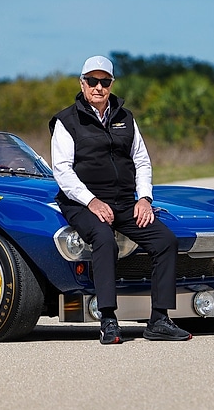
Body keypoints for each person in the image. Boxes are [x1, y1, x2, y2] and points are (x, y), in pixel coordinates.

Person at [49, 55, 192, 344]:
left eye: (104, 81)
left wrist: (145, 199)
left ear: (111, 85)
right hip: (81, 203)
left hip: (125, 201)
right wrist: (91, 202)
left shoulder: (126, 118)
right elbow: (62, 171)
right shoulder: (67, 121)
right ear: (82, 83)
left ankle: (159, 320)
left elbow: (142, 161)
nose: (98, 87)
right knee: (104, 239)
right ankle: (108, 320)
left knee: (165, 241)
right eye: (92, 81)